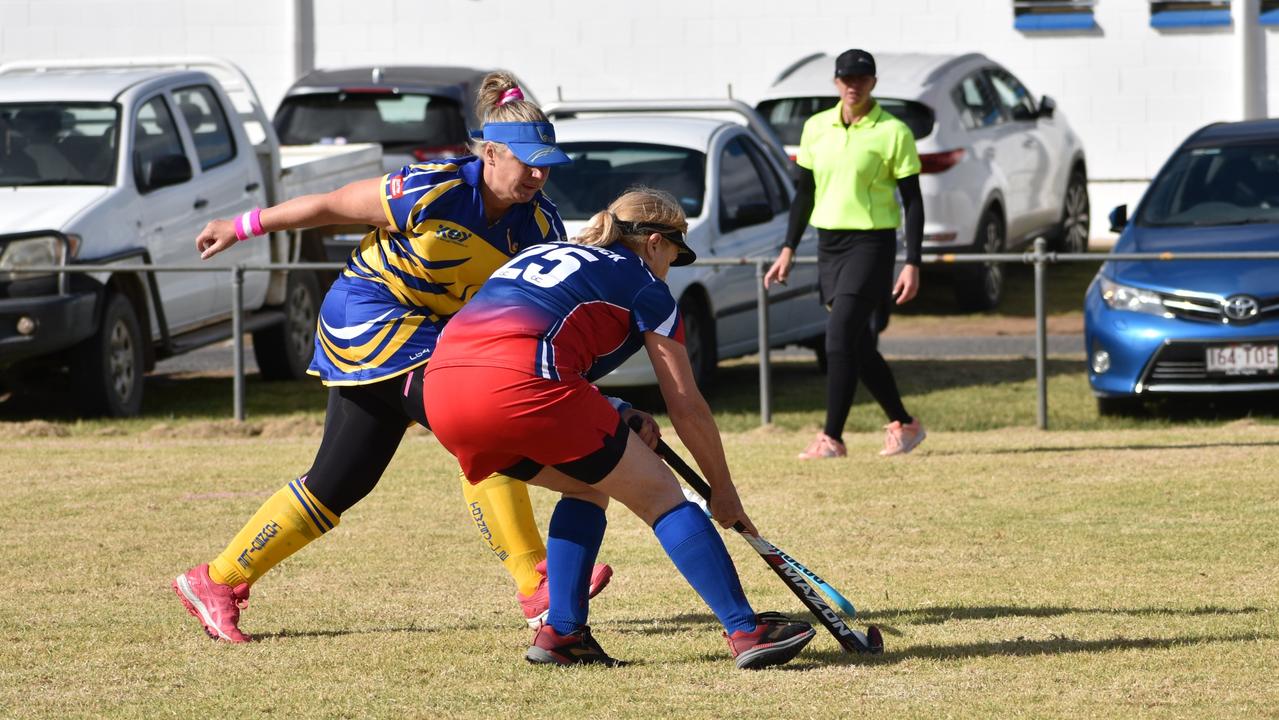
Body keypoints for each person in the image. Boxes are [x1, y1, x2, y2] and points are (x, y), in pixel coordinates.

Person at [172, 73, 610, 643]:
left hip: (432, 336)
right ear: (492, 152)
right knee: (477, 426)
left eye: (546, 163)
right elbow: (330, 206)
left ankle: (217, 578)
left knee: (337, 483)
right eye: (527, 161)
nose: (537, 174)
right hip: (368, 316)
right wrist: (241, 226)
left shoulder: (542, 224)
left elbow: (529, 306)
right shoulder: (432, 187)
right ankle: (534, 584)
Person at [422, 188, 817, 670]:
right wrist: (723, 490)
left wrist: (614, 408)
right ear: (655, 243)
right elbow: (686, 405)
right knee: (663, 497)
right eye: (676, 252)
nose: (673, 265)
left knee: (587, 488)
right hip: (522, 387)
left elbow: (533, 340)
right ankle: (744, 629)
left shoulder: (547, 253)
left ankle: (563, 634)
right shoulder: (644, 283)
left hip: (441, 394)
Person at [764, 48, 927, 459]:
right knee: (855, 343)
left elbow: (913, 201)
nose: (853, 85)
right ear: (836, 82)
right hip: (829, 245)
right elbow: (805, 193)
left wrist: (913, 262)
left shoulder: (894, 131)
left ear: (873, 82)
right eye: (846, 79)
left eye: (862, 78)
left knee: (836, 337)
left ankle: (832, 438)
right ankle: (905, 424)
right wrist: (788, 248)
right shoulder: (816, 127)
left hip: (872, 243)